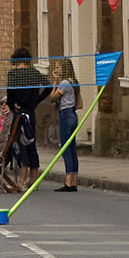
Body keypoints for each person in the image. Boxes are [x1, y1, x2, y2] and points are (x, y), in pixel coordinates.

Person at [4, 48, 53, 191]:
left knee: (21, 145)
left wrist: (13, 105)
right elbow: (48, 87)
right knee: (31, 143)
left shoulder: (13, 74)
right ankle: (34, 179)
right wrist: (36, 100)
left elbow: (10, 92)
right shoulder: (34, 73)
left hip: (19, 114)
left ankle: (21, 180)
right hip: (30, 113)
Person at [53, 58, 81, 191]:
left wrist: (54, 82)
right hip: (74, 115)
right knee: (72, 148)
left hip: (66, 115)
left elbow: (53, 97)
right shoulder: (74, 82)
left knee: (65, 149)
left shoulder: (64, 83)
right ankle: (74, 179)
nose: (56, 69)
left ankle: (69, 181)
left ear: (64, 68)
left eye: (58, 67)